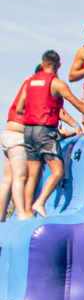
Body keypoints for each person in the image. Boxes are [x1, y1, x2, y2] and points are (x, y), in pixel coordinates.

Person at [18, 51, 84, 218]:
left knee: (33, 175)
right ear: (58, 65)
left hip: (28, 130)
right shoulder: (56, 83)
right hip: (44, 130)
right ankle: (40, 202)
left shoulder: (29, 83)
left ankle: (27, 213)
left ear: (42, 63)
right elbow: (78, 104)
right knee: (58, 171)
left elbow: (19, 108)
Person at [0, 83, 30, 220]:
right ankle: (22, 215)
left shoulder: (27, 84)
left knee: (8, 180)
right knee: (20, 176)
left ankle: (1, 218)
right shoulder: (38, 87)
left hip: (7, 134)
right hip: (18, 137)